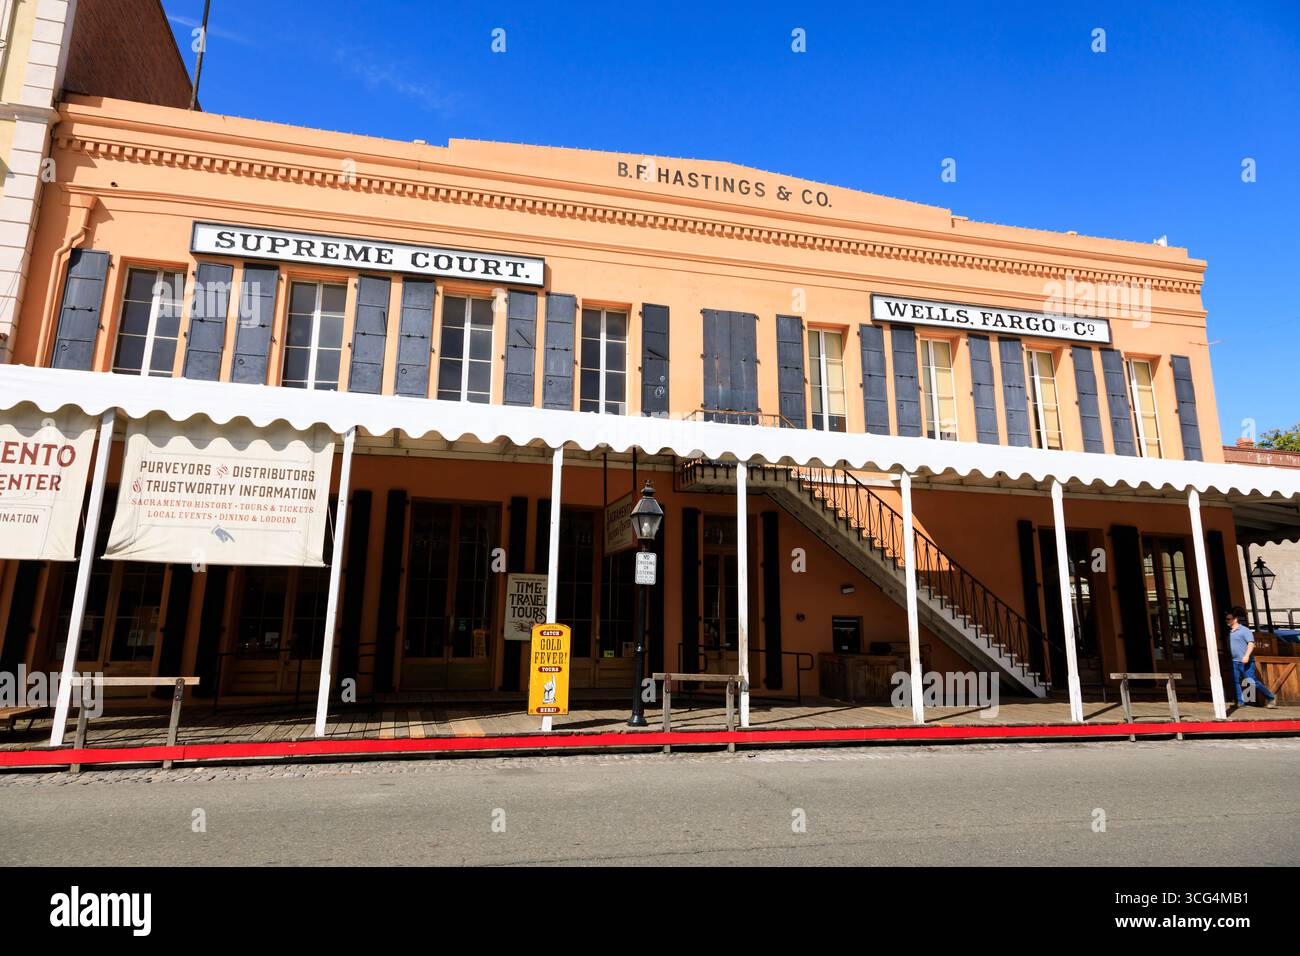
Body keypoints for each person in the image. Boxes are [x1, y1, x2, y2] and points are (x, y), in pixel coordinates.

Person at [1226, 606, 1277, 709]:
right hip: (1235, 661)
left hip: (1245, 661)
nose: (1227, 621)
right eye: (1226, 619)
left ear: (1235, 620)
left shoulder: (1244, 630)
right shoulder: (1230, 633)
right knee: (1236, 682)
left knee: (1252, 681)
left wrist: (1246, 656)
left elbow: (1251, 643)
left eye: (1228, 619)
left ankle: (1270, 696)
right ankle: (1241, 702)